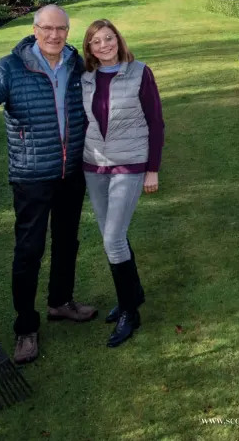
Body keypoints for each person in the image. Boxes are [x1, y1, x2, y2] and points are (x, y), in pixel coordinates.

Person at [0, 5, 97, 366]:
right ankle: (25, 326)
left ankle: (60, 302)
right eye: (47, 28)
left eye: (61, 29)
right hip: (31, 176)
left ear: (67, 31)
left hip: (71, 172)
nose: (54, 35)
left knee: (66, 241)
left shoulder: (76, 64)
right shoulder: (11, 67)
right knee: (29, 251)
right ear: (34, 29)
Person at [81, 19, 164, 347]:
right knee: (110, 237)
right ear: (88, 48)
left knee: (113, 240)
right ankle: (133, 294)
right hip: (93, 165)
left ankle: (130, 311)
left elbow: (156, 121)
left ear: (118, 39)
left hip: (130, 164)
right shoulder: (85, 77)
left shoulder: (139, 72)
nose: (103, 45)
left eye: (108, 38)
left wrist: (153, 169)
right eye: (95, 41)